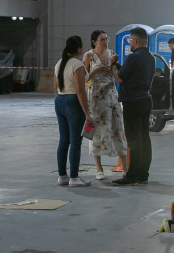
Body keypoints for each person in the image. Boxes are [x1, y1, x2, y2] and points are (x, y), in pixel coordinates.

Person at [111, 27, 155, 186]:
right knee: (144, 137)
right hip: (145, 99)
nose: (129, 42)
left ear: (135, 41)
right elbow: (133, 74)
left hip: (132, 101)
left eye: (130, 40)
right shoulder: (150, 57)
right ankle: (143, 174)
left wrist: (113, 66)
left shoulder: (133, 57)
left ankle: (132, 175)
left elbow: (120, 78)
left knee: (133, 140)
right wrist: (119, 65)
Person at [83, 30, 127, 180]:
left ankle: (125, 168)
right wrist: (97, 70)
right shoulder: (89, 56)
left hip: (111, 95)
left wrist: (116, 65)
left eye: (106, 39)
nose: (105, 42)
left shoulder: (112, 53)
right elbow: (84, 78)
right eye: (102, 39)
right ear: (94, 41)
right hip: (96, 97)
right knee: (97, 131)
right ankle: (99, 169)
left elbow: (116, 76)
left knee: (117, 129)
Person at [54, 35, 93, 187]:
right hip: (72, 102)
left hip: (60, 100)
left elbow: (55, 88)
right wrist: (87, 113)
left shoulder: (59, 63)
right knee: (76, 142)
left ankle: (62, 176)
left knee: (64, 140)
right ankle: (74, 178)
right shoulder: (77, 64)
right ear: (79, 48)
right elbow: (80, 91)